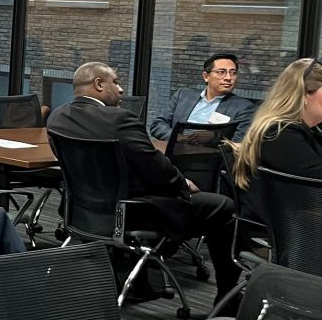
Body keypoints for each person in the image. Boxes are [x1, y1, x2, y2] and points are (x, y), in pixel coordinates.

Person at [47, 62, 237, 300]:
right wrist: (183, 183)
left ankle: (142, 273)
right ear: (98, 84)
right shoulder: (120, 119)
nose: (121, 89)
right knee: (224, 206)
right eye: (116, 82)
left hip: (83, 211)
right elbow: (155, 168)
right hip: (131, 212)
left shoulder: (57, 116)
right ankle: (228, 298)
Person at [231, 58, 322, 218]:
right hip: (288, 226)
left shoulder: (308, 130)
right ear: (303, 94)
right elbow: (316, 179)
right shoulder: (279, 133)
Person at [149, 52, 257, 142]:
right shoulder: (183, 95)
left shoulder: (244, 108)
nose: (228, 78)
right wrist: (176, 137)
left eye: (233, 73)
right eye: (221, 72)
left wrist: (213, 138)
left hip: (207, 156)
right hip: (174, 148)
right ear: (206, 76)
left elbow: (237, 145)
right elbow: (158, 124)